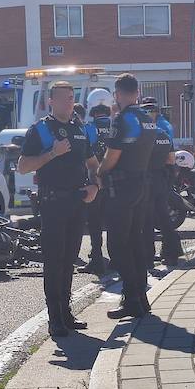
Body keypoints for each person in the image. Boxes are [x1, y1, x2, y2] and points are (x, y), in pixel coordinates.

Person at [18, 81, 100, 337]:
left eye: (71, 97)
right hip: (53, 202)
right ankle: (54, 318)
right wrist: (52, 154)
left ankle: (66, 312)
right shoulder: (41, 130)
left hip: (77, 202)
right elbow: (23, 166)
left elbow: (93, 163)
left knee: (69, 260)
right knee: (54, 261)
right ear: (51, 101)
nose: (68, 101)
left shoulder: (80, 129)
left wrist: (95, 186)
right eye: (63, 98)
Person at [97, 73, 159, 319]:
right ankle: (140, 299)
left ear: (119, 94)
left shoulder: (123, 119)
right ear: (137, 92)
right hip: (143, 185)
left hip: (122, 188)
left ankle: (132, 297)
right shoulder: (148, 118)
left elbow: (112, 156)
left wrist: (99, 174)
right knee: (136, 242)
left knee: (117, 246)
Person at [141, 98, 183, 269]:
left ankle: (148, 258)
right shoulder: (163, 134)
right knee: (164, 218)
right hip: (161, 180)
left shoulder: (141, 134)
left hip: (145, 180)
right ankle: (172, 254)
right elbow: (171, 160)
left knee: (147, 221)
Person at [80, 89, 115, 275]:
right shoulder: (117, 126)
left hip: (94, 181)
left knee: (94, 223)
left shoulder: (87, 128)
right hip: (117, 181)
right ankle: (117, 258)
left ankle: (97, 258)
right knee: (114, 221)